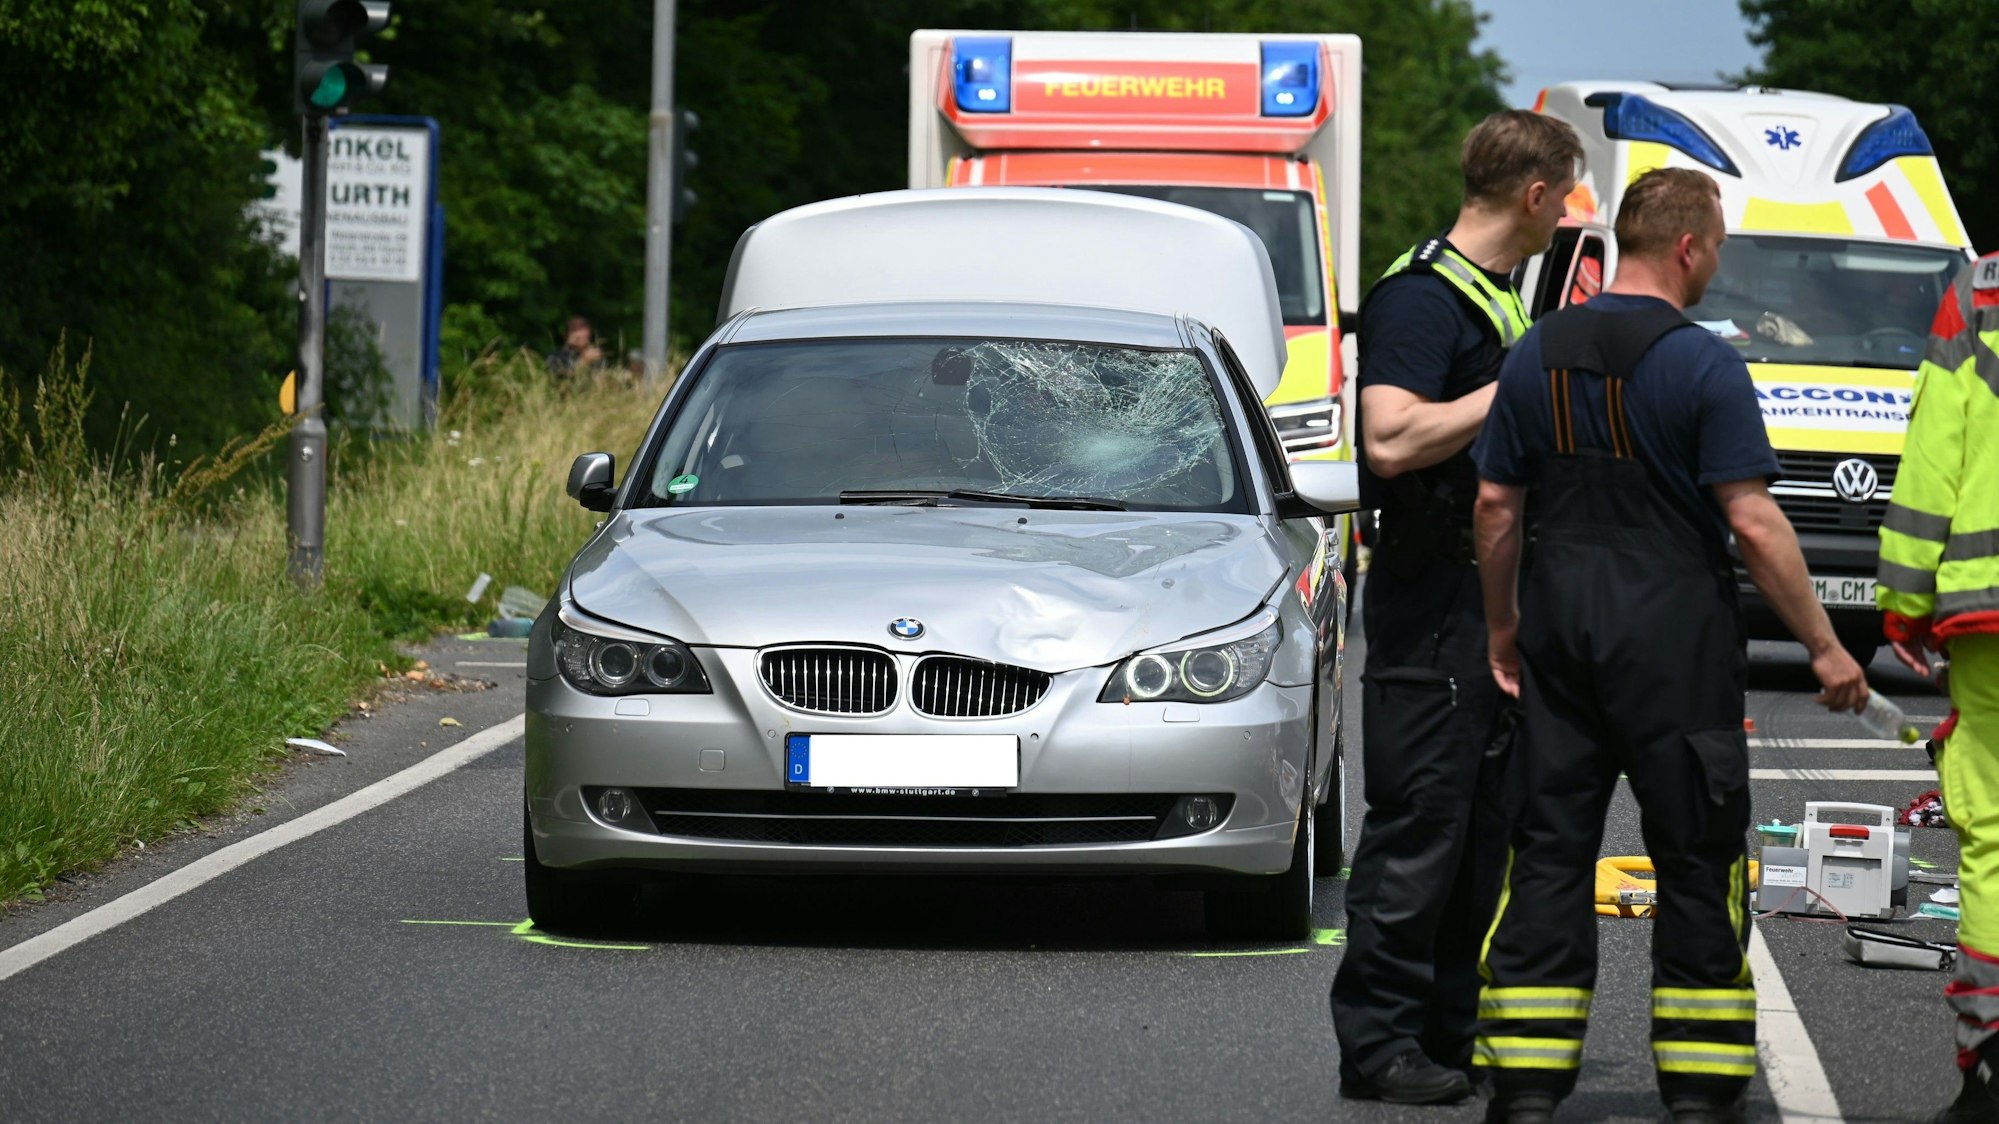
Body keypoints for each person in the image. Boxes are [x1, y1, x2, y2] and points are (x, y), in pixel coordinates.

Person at [1469, 168, 1867, 1124]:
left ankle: (1524, 1087)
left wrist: (1502, 627)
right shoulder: (1703, 367)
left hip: (1561, 634)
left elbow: (1495, 506)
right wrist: (1823, 646)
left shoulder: (1537, 354)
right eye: (1718, 245)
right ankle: (1697, 1091)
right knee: (1695, 860)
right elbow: (1753, 523)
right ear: (1687, 246)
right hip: (1676, 646)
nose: (1716, 261)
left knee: (1549, 855)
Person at [1329, 108, 1582, 1107]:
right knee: (1419, 830)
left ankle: (1447, 1027)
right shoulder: (1424, 297)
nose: (1566, 218)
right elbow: (1388, 440)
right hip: (1433, 602)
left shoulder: (1497, 298)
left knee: (1482, 835)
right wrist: (1515, 384)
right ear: (1531, 196)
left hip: (1485, 603)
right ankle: (1378, 1044)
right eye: (1562, 199)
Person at [1875, 250, 1999, 1124]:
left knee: (1993, 835)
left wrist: (1905, 599)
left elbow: (1935, 451)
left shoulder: (1982, 292)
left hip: (1991, 609)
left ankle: (1990, 1061)